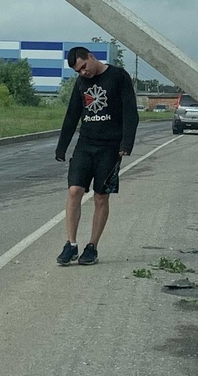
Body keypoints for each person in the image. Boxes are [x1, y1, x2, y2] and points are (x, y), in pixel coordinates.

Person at [54, 46, 139, 266]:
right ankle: (71, 245)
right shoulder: (81, 83)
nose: (83, 73)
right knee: (74, 191)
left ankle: (92, 247)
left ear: (91, 56)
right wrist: (61, 147)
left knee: (101, 196)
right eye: (78, 71)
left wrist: (126, 143)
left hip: (110, 147)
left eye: (84, 67)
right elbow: (72, 113)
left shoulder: (118, 76)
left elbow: (130, 111)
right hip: (86, 144)